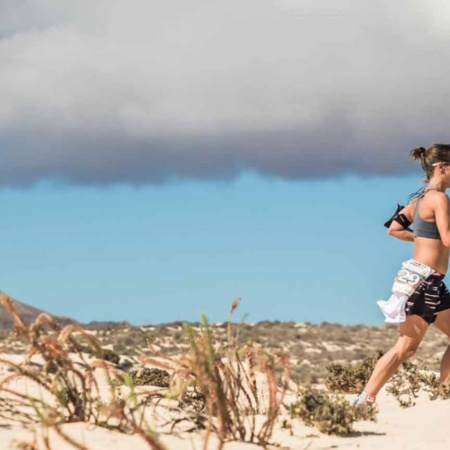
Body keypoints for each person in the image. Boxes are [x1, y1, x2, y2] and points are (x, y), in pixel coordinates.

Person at [356, 144, 450, 407]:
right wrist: (432, 241)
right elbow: (447, 237)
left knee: (408, 348)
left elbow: (394, 229)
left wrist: (422, 239)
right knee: (405, 348)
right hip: (423, 281)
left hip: (427, 280)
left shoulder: (418, 200)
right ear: (442, 167)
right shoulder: (440, 199)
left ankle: (445, 398)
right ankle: (364, 400)